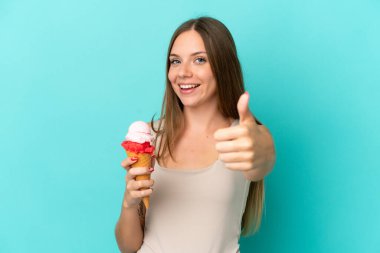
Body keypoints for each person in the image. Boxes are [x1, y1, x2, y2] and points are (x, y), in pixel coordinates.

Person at [115, 16, 276, 253]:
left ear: (223, 66)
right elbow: (128, 248)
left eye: (199, 60)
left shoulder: (242, 137)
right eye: (175, 61)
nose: (182, 73)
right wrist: (130, 204)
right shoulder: (150, 137)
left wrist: (263, 151)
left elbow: (262, 156)